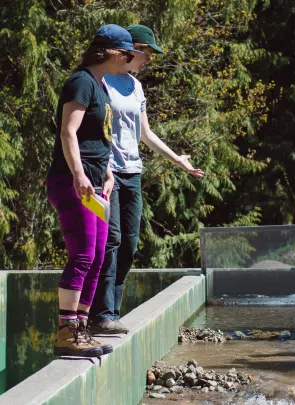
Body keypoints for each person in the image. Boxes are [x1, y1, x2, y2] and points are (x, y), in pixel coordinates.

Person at [88, 25, 205, 334]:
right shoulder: (100, 80)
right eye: (148, 53)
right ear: (132, 49)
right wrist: (101, 166)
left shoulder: (136, 87)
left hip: (133, 173)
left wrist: (177, 159)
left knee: (129, 243)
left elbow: (146, 133)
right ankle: (101, 313)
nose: (149, 60)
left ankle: (111, 310)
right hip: (107, 172)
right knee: (110, 240)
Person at [47, 24, 144, 357]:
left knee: (99, 255)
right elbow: (68, 132)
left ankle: (83, 328)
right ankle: (67, 332)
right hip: (72, 181)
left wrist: (105, 171)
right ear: (112, 52)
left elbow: (97, 138)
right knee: (84, 254)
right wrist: (78, 173)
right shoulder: (82, 82)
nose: (131, 59)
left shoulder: (101, 87)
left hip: (94, 183)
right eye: (128, 53)